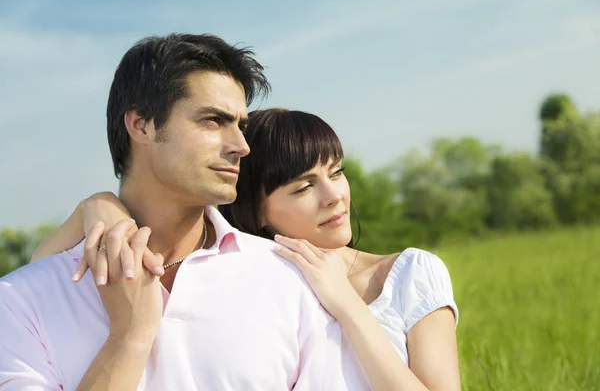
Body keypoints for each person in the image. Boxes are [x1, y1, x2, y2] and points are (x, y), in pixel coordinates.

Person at [0, 34, 353, 390]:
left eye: (241, 125)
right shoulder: (20, 301)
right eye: (214, 121)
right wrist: (128, 337)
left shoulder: (289, 279)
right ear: (141, 125)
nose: (241, 146)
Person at [31, 109, 462, 390]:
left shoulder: (407, 273)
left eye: (336, 172)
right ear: (256, 210)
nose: (334, 196)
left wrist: (346, 304)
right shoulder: (252, 281)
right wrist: (94, 206)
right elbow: (38, 280)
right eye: (304, 187)